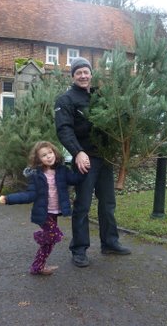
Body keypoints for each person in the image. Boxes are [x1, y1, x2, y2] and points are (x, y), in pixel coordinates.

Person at [54, 57, 131, 268]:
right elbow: (64, 130)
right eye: (78, 72)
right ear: (72, 76)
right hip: (84, 160)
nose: (83, 76)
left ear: (91, 74)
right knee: (83, 205)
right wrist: (78, 152)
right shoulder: (66, 100)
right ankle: (79, 249)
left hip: (104, 158)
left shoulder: (100, 97)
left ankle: (110, 243)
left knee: (107, 204)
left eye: (86, 72)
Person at [0, 141, 86, 275]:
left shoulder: (62, 171)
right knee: (54, 235)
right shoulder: (36, 175)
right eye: (44, 155)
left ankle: (38, 267)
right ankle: (39, 236)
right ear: (38, 159)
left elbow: (75, 179)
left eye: (50, 153)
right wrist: (9, 199)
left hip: (55, 212)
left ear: (55, 153)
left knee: (49, 244)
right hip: (43, 213)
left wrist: (84, 167)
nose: (49, 156)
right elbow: (29, 195)